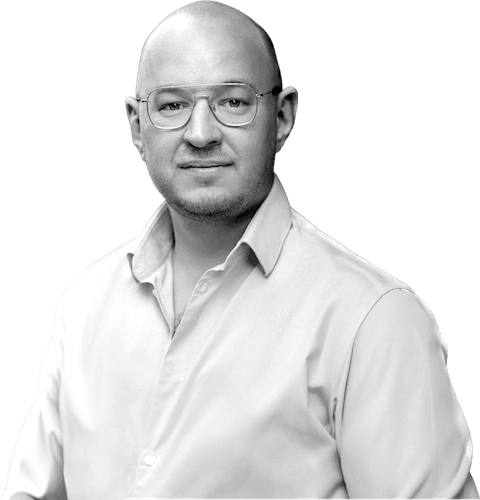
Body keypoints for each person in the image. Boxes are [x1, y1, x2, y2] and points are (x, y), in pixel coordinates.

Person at [2, 1, 478, 499]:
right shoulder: (84, 303)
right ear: (137, 126)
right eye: (171, 105)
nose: (200, 134)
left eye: (233, 102)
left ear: (283, 116)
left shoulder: (374, 322)